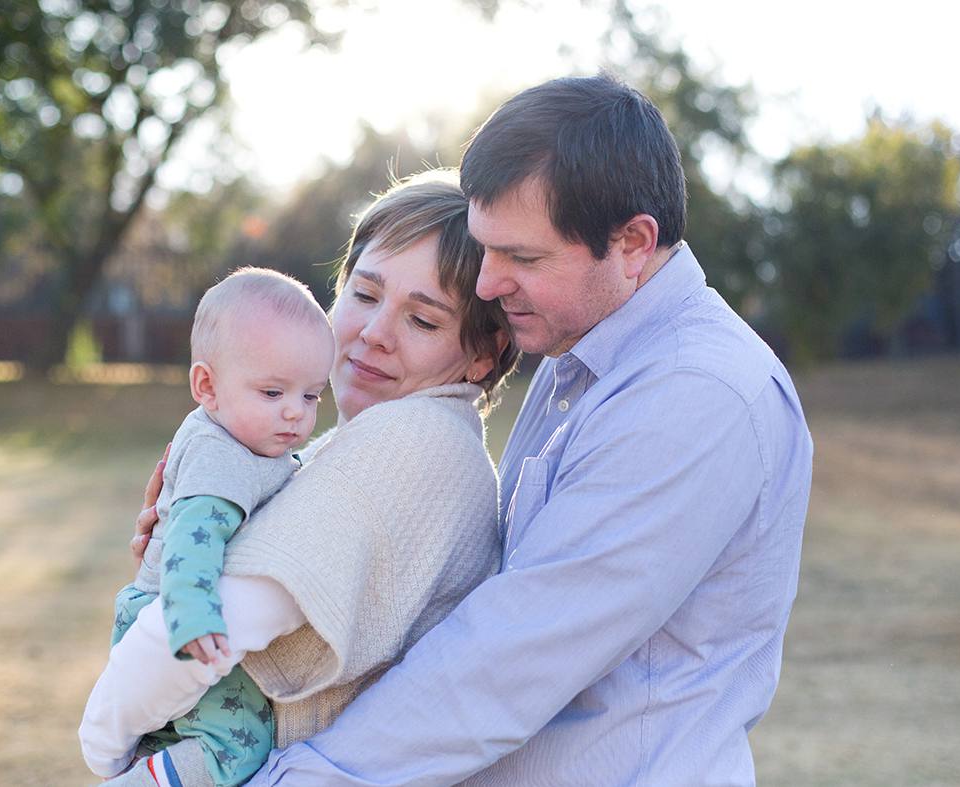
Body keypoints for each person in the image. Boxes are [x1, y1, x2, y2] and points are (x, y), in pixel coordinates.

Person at [248, 74, 814, 785]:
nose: (485, 284)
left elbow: (513, 654)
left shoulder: (698, 394)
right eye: (486, 248)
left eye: (522, 256)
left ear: (633, 242)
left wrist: (300, 776)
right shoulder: (577, 354)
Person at [106, 171, 521, 787]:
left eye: (423, 321)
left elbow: (213, 623)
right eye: (365, 294)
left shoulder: (416, 441)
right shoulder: (344, 446)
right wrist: (190, 535)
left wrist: (105, 744)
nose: (374, 333)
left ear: (483, 355)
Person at [80, 268, 336, 785]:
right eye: (271, 393)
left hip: (174, 606)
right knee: (237, 745)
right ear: (207, 386)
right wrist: (193, 618)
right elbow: (191, 543)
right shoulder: (222, 460)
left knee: (172, 735)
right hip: (183, 614)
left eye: (311, 396)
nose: (295, 414)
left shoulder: (244, 438)